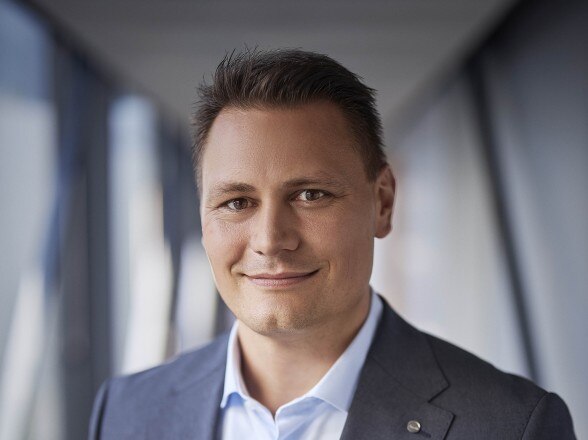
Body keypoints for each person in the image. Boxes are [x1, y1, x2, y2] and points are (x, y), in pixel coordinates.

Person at [89, 49, 576, 439]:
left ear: (382, 203)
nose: (270, 240)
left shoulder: (512, 426)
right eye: (237, 202)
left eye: (310, 195)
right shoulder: (127, 412)